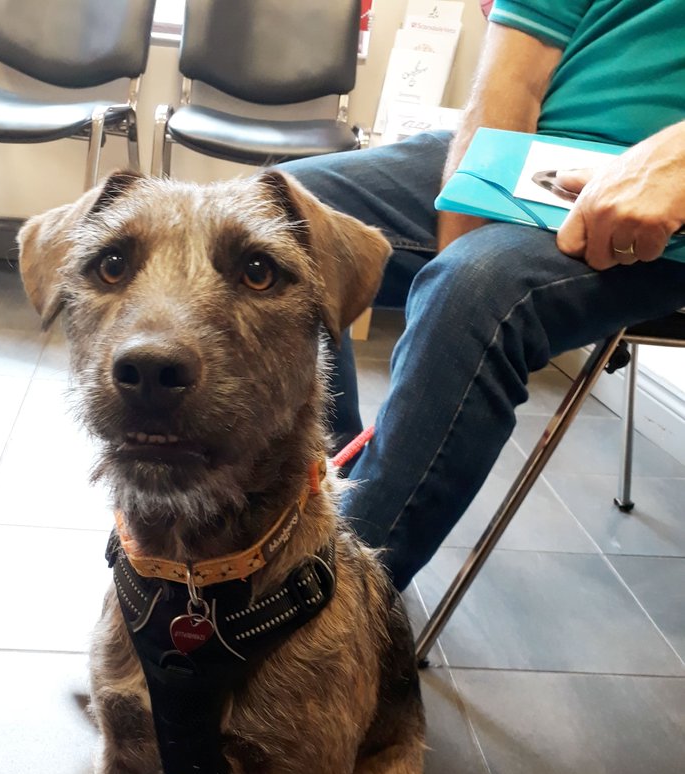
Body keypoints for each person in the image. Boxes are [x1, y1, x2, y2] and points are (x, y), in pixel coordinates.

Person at [284, 0, 685, 593]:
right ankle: (321, 501)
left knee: (474, 292)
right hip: (544, 157)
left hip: (669, 197)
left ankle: (322, 616)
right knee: (283, 218)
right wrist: (474, 203)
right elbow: (514, 73)